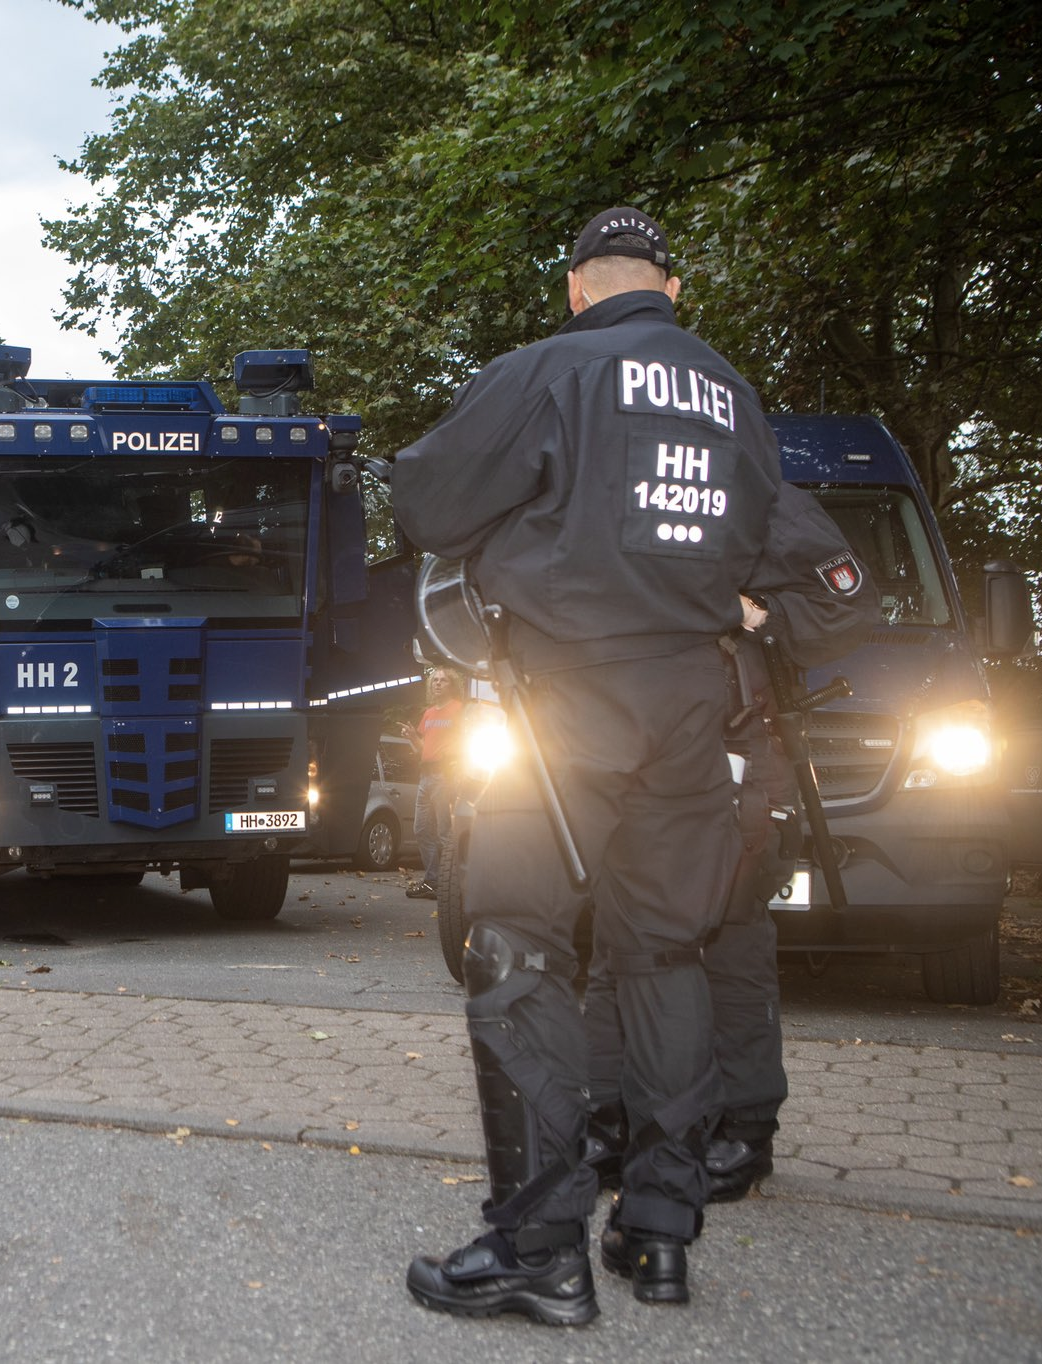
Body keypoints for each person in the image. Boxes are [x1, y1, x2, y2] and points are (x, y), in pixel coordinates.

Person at [391, 207, 785, 1325]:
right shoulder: (733, 397)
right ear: (674, 285)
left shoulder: (548, 370)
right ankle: (657, 1233)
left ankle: (537, 1242)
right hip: (694, 704)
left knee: (513, 940)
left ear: (575, 289)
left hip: (567, 702)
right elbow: (763, 546)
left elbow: (424, 502)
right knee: (664, 950)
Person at [585, 481, 880, 1208]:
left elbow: (848, 606)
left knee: (733, 937)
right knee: (617, 937)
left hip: (738, 753)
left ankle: (743, 1129)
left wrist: (758, 621)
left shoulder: (765, 500)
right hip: (630, 743)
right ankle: (612, 1121)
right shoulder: (619, 483)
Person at [399, 668, 464, 898]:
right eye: (434, 680)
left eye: (443, 680)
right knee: (421, 829)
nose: (437, 683)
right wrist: (412, 737)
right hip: (425, 776)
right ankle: (433, 881)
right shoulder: (428, 713)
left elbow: (468, 739)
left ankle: (454, 884)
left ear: (452, 685)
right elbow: (421, 751)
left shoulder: (459, 709)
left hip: (445, 776)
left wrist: (456, 752)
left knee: (446, 832)